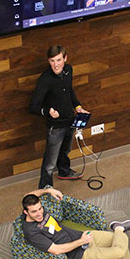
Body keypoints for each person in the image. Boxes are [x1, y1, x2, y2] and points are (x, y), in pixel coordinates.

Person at [22, 187, 130, 259]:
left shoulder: (34, 206)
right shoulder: (32, 232)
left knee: (118, 238)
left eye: (40, 208)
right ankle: (118, 228)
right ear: (26, 212)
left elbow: (28, 195)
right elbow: (56, 250)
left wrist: (48, 191)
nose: (39, 213)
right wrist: (81, 241)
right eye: (34, 211)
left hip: (81, 235)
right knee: (120, 248)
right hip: (79, 255)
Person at [29, 45, 90, 189]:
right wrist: (47, 111)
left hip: (70, 120)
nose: (55, 65)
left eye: (58, 60)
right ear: (48, 61)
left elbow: (69, 91)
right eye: (52, 61)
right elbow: (33, 107)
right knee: (50, 162)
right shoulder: (45, 80)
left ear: (65, 58)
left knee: (65, 150)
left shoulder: (69, 70)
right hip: (55, 126)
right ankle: (45, 187)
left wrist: (78, 106)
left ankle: (64, 171)